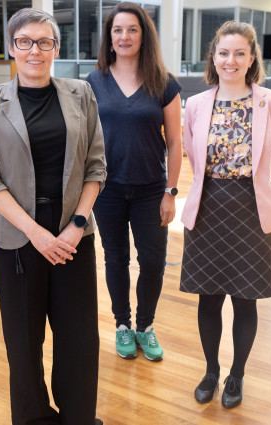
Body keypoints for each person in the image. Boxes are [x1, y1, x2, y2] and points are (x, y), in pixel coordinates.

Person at [0, 8, 106, 425]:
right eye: (25, 42)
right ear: (11, 48)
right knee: (23, 343)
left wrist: (76, 225)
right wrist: (37, 234)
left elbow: (96, 166)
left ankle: (77, 417)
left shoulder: (81, 93)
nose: (35, 50)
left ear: (56, 48)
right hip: (17, 241)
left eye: (44, 42)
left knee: (79, 339)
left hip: (73, 237)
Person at [179, 21, 271, 409]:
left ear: (252, 58)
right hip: (208, 208)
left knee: (246, 300)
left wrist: (256, 186)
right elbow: (193, 158)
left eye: (240, 53)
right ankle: (210, 370)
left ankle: (236, 374)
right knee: (208, 299)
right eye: (224, 53)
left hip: (252, 209)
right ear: (214, 56)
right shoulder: (194, 105)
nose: (231, 60)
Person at [85, 1, 181, 362]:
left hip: (151, 190)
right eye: (117, 30)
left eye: (132, 30)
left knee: (153, 261)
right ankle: (122, 325)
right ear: (109, 38)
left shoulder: (163, 82)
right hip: (107, 190)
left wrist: (171, 192)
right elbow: (85, 140)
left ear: (144, 36)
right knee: (115, 259)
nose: (124, 36)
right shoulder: (94, 82)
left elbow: (175, 143)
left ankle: (145, 325)